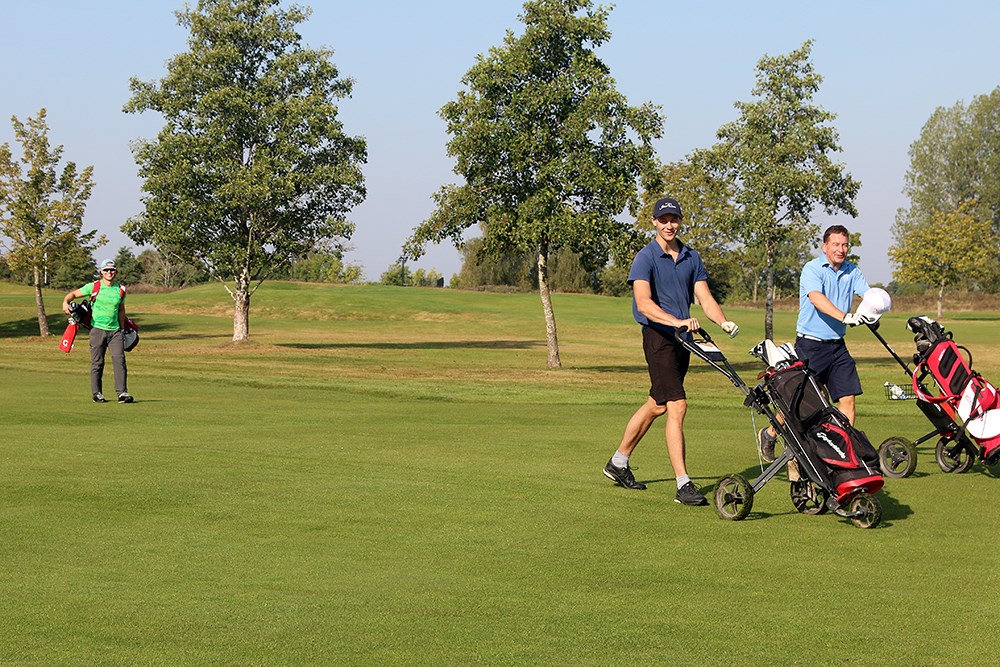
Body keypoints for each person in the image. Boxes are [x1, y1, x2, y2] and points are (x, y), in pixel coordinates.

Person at [603, 197, 740, 506]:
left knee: (658, 403)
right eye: (663, 219)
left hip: (684, 341)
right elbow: (644, 304)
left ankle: (618, 462)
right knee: (677, 406)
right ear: (654, 222)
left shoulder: (691, 256)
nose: (669, 224)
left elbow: (704, 297)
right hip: (658, 337)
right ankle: (683, 484)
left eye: (673, 219)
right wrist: (676, 321)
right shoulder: (645, 257)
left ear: (680, 221)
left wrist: (723, 321)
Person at [757, 224, 871, 462]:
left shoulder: (852, 270)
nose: (841, 249)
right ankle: (770, 434)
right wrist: (845, 316)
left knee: (848, 399)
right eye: (836, 244)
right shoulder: (812, 269)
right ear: (825, 247)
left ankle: (842, 453)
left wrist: (874, 310)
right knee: (799, 403)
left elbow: (868, 295)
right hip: (810, 346)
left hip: (838, 346)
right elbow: (816, 298)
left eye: (845, 245)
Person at [62, 259, 134, 404]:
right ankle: (97, 393)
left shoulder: (120, 289)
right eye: (106, 270)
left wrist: (121, 329)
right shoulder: (94, 286)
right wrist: (65, 302)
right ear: (101, 272)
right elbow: (73, 295)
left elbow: (121, 310)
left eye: (112, 270)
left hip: (115, 331)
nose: (109, 272)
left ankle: (122, 393)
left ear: (116, 272)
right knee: (97, 363)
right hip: (97, 330)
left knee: (119, 361)